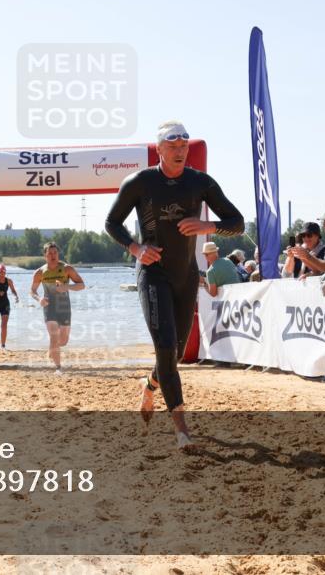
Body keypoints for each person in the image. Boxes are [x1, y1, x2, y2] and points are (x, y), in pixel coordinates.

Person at [105, 120, 244, 451]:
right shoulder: (140, 182)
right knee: (165, 346)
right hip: (153, 274)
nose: (180, 151)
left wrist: (206, 224)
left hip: (185, 275)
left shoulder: (200, 182)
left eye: (184, 146)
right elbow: (112, 223)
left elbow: (236, 222)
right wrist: (137, 248)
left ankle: (150, 385)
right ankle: (182, 428)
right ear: (160, 150)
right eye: (173, 146)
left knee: (176, 353)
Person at [29, 243, 84, 373]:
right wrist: (39, 299)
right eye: (50, 253)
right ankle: (58, 367)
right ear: (45, 255)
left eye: (55, 253)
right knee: (54, 336)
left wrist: (67, 287)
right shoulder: (40, 272)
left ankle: (52, 349)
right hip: (49, 307)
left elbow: (81, 285)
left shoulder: (67, 269)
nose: (53, 256)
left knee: (63, 340)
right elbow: (32, 290)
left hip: (64, 307)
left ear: (58, 254)